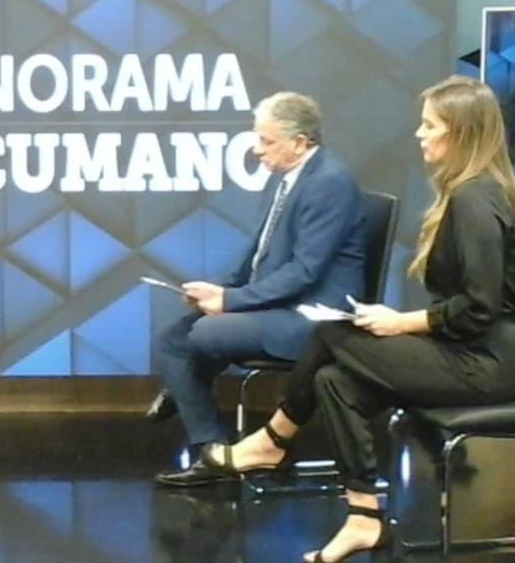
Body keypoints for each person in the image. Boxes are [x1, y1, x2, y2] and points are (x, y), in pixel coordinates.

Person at [169, 75, 515, 563]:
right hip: (465, 350)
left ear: (461, 133)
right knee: (333, 380)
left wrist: (401, 322)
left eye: (430, 125)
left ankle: (273, 439)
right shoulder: (467, 192)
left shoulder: (476, 199)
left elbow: (480, 308)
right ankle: (364, 518)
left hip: (485, 364)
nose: (419, 134)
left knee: (331, 334)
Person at [148, 91, 366, 482]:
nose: (256, 150)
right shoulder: (284, 177)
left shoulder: (330, 183)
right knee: (173, 340)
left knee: (205, 334)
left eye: (266, 141)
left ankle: (186, 387)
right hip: (282, 304)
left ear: (300, 142)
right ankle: (212, 452)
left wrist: (231, 301)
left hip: (315, 317)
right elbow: (258, 254)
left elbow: (304, 272)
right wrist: (219, 290)